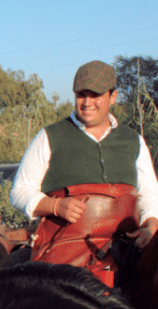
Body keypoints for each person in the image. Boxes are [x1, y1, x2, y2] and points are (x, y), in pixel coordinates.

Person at [10, 59, 158, 286]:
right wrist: (56, 206)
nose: (87, 102)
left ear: (113, 96)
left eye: (96, 95)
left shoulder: (133, 141)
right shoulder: (50, 136)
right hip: (67, 252)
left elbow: (150, 195)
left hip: (125, 251)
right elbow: (19, 191)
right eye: (81, 95)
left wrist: (150, 227)